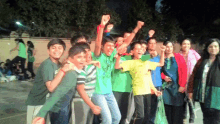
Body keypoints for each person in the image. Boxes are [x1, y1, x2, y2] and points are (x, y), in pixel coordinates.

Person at [32, 45, 86, 124]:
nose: (83, 60)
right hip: (60, 110)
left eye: (84, 57)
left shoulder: (70, 68)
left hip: (59, 108)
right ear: (70, 59)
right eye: (79, 57)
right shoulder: (71, 74)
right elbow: (57, 93)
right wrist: (41, 114)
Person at [26, 39, 74, 124]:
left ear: (63, 50)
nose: (57, 50)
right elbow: (51, 87)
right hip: (38, 102)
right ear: (48, 50)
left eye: (60, 48)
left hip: (47, 102)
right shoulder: (47, 64)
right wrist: (63, 70)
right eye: (53, 48)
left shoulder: (57, 64)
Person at [115, 41, 165, 124]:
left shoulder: (146, 62)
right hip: (138, 91)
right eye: (137, 48)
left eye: (141, 49)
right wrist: (119, 56)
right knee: (140, 115)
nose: (139, 50)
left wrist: (162, 52)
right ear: (132, 51)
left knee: (147, 115)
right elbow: (117, 66)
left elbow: (161, 63)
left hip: (147, 91)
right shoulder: (130, 62)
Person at [188, 38, 220, 124]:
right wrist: (190, 90)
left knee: (216, 119)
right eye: (211, 46)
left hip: (217, 96)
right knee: (206, 118)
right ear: (207, 48)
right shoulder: (202, 61)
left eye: (216, 46)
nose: (213, 48)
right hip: (203, 95)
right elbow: (193, 75)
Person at [71, 42, 101, 124]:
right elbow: (80, 89)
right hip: (80, 100)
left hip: (88, 100)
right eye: (84, 52)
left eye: (88, 50)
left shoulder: (91, 65)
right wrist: (92, 106)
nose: (88, 53)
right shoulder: (82, 69)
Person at [161, 41, 187, 124]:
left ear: (173, 48)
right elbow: (157, 70)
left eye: (170, 46)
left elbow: (184, 72)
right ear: (164, 47)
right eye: (167, 47)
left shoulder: (179, 57)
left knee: (177, 110)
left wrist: (182, 85)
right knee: (167, 110)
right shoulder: (161, 57)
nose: (169, 49)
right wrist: (163, 77)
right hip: (166, 88)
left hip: (177, 87)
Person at [179, 38, 201, 124]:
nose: (186, 45)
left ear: (190, 45)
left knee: (191, 101)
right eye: (184, 44)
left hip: (192, 81)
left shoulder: (194, 54)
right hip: (182, 82)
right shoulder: (178, 55)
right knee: (183, 101)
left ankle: (192, 120)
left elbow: (200, 64)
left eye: (188, 44)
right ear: (181, 45)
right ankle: (184, 118)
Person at [143, 37, 164, 124]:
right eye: (150, 43)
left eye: (154, 43)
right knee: (146, 108)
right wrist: (151, 55)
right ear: (147, 45)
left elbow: (162, 67)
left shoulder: (158, 56)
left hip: (157, 85)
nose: (152, 45)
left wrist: (162, 52)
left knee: (154, 108)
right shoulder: (144, 56)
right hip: (147, 86)